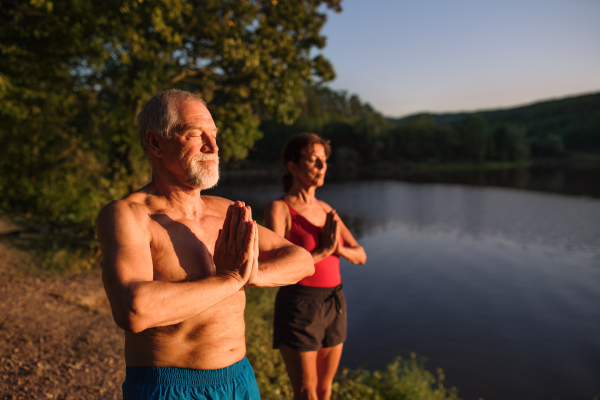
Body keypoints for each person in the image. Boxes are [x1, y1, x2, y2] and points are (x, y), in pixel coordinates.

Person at [96, 89, 314, 400]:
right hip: (169, 386)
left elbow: (302, 260)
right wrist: (229, 279)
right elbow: (134, 310)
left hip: (240, 379)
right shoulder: (129, 215)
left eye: (213, 134)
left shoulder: (225, 210)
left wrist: (252, 274)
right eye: (196, 134)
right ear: (155, 142)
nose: (213, 147)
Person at [264, 133, 367, 400]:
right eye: (313, 160)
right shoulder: (280, 209)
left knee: (324, 390)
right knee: (307, 392)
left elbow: (361, 255)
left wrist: (338, 248)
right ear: (293, 166)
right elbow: (277, 268)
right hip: (299, 304)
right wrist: (322, 251)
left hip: (334, 302)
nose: (322, 167)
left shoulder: (325, 208)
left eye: (324, 160)